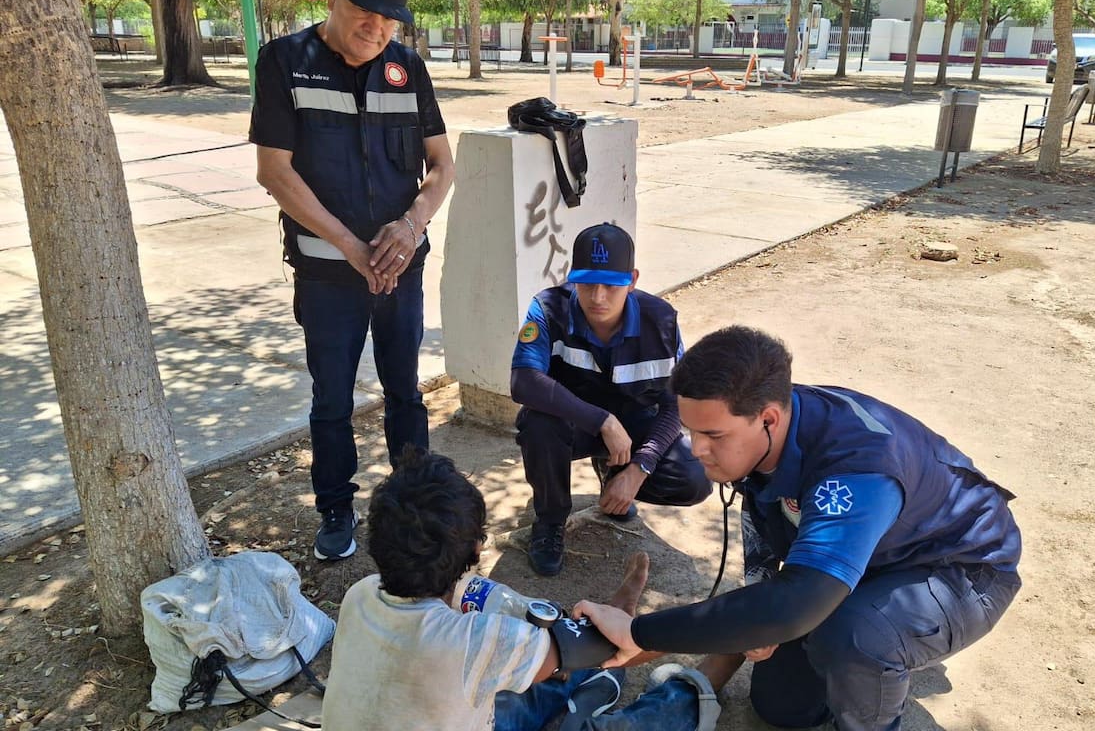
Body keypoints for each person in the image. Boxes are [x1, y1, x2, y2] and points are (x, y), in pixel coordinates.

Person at [574, 326, 1023, 731]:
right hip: (871, 554)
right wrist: (761, 610)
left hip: (956, 566)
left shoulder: (856, 470)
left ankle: (879, 683)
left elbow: (793, 606)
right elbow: (763, 522)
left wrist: (638, 634)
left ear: (768, 418)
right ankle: (859, 638)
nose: (695, 449)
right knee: (782, 709)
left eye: (713, 435)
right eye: (691, 430)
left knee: (853, 638)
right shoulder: (764, 422)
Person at [249, 0, 454, 560]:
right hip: (325, 275)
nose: (378, 26)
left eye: (391, 16)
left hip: (400, 268)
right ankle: (336, 510)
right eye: (366, 8)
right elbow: (275, 171)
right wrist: (350, 248)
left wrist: (411, 224)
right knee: (332, 398)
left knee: (405, 391)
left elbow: (442, 166)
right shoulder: (285, 60)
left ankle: (414, 504)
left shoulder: (406, 66)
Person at [321, 446, 729, 731]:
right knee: (599, 703)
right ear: (478, 548)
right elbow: (619, 647)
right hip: (558, 650)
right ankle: (704, 681)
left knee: (514, 686)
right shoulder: (476, 643)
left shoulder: (362, 594)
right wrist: (734, 624)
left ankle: (593, 670)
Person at [511, 223, 711, 576]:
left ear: (632, 280)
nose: (598, 297)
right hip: (575, 426)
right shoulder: (547, 309)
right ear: (572, 278)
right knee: (537, 422)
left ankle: (614, 471)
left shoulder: (661, 321)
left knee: (694, 479)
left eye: (611, 285)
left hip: (635, 424)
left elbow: (673, 404)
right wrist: (602, 421)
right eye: (587, 283)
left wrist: (640, 467)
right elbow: (523, 382)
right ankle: (550, 520)